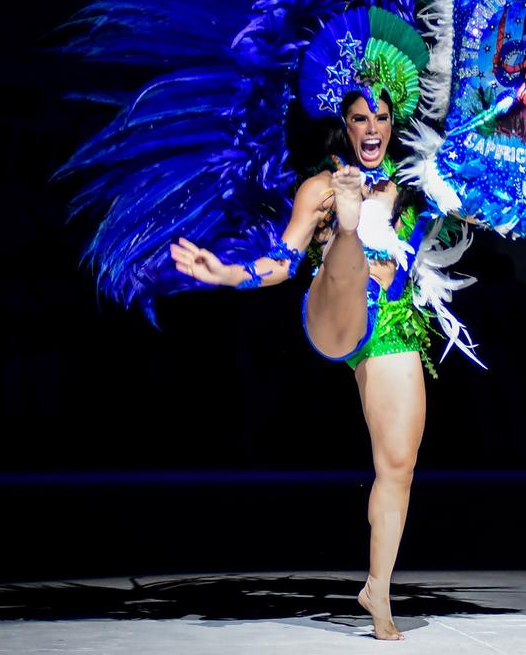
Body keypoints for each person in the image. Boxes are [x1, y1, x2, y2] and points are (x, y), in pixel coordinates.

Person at [170, 89, 436, 641]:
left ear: (392, 124)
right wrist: (224, 275)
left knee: (399, 463)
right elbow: (284, 261)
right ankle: (346, 228)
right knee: (347, 240)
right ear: (346, 123)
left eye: (381, 118)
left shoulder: (412, 188)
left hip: (388, 325)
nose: (371, 128)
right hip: (333, 308)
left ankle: (377, 590)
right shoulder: (321, 185)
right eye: (360, 117)